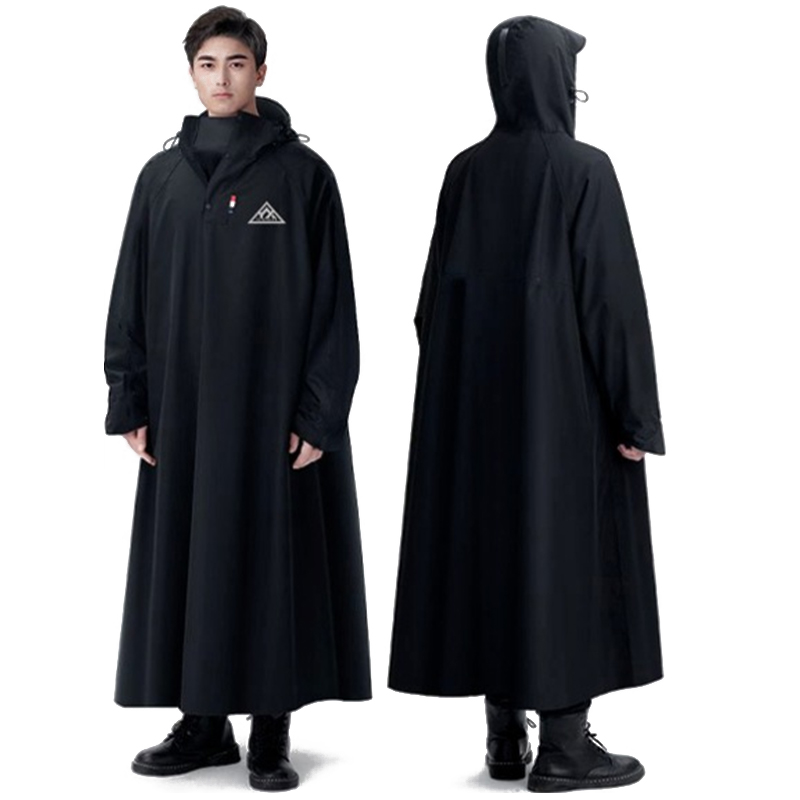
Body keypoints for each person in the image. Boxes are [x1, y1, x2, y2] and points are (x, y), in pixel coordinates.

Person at [388, 16, 665, 793]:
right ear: (554, 82)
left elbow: (430, 306)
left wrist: (464, 391)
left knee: (493, 550)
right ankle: (567, 748)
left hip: (469, 414)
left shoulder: (464, 171)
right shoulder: (583, 168)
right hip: (564, 408)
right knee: (563, 554)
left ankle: (505, 737)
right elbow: (611, 300)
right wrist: (634, 412)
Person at [103, 6, 371, 792]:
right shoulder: (160, 178)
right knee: (192, 559)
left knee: (268, 559)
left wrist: (320, 410)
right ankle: (202, 723)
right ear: (190, 72)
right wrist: (130, 396)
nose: (221, 78)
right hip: (182, 412)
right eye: (207, 64)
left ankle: (271, 728)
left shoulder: (303, 176)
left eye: (236, 63)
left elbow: (334, 305)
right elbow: (129, 293)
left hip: (270, 413)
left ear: (261, 71)